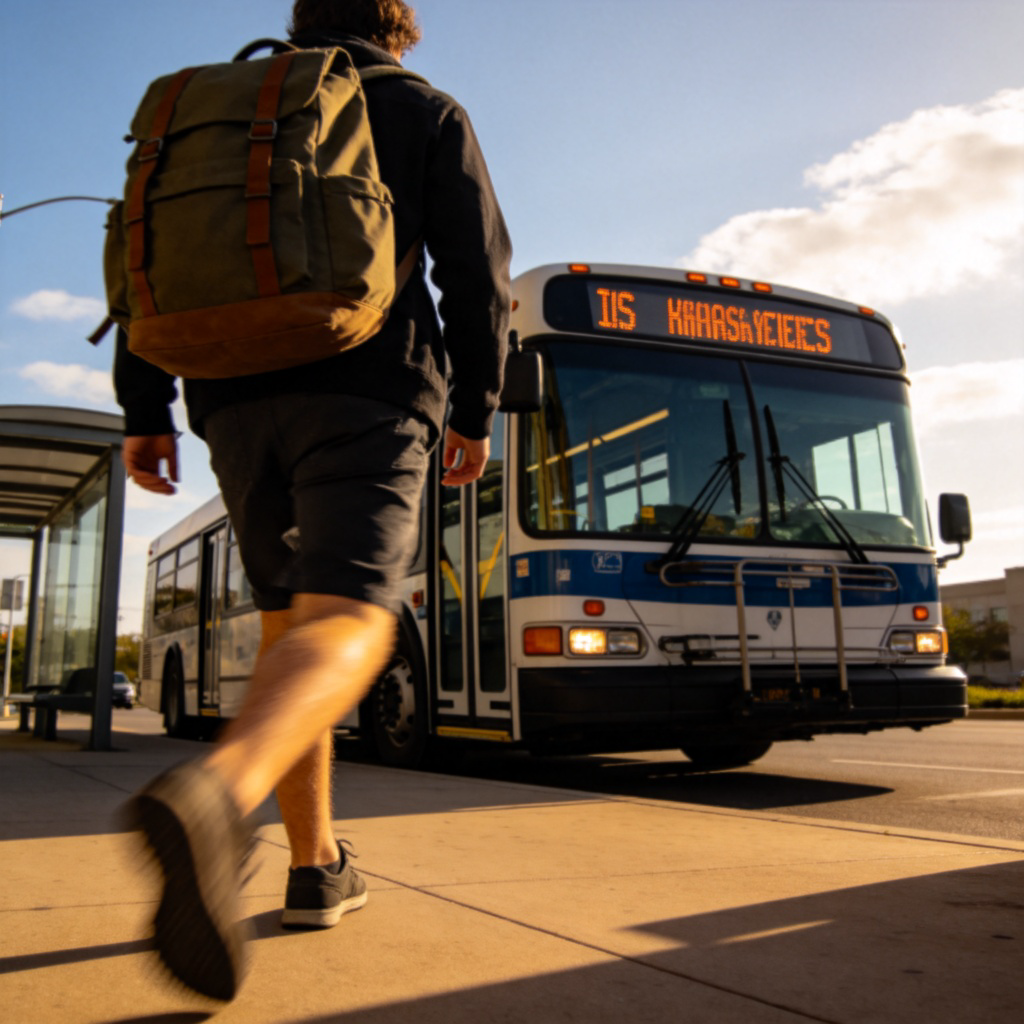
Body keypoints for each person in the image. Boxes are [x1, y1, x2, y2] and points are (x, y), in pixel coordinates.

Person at [116, 0, 511, 1001]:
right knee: (351, 622)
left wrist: (146, 408)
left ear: (297, 24)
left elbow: (149, 255)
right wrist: (475, 407)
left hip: (231, 394)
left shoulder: (220, 106)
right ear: (398, 28)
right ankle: (218, 794)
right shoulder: (424, 107)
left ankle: (313, 867)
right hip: (366, 382)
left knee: (296, 630)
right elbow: (474, 274)